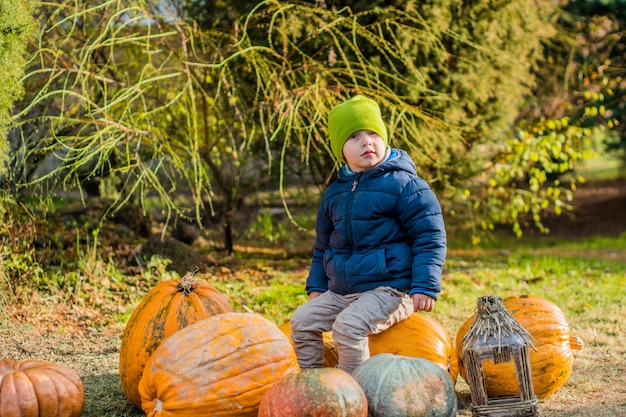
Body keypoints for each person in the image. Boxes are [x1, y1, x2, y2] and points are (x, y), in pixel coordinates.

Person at [289, 95, 447, 374]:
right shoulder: (335, 193)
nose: (366, 141)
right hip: (342, 291)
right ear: (341, 149)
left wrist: (425, 285)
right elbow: (323, 246)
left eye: (373, 133)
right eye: (354, 136)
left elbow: (429, 236)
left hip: (391, 289)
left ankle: (352, 393)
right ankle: (312, 384)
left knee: (348, 327)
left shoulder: (405, 185)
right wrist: (317, 285)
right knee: (302, 321)